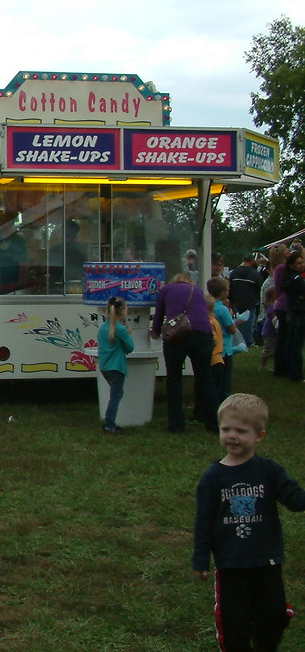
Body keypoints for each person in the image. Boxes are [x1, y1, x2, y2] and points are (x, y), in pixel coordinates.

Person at [193, 393, 305, 651]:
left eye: (240, 431)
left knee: (274, 617)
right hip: (231, 562)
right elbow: (203, 521)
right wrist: (201, 558)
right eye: (226, 429)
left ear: (259, 436)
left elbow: (295, 500)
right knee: (234, 622)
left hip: (267, 559)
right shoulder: (213, 478)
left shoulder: (270, 471)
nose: (231, 435)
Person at [150, 274, 218, 434]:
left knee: (174, 379)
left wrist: (155, 332)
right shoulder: (198, 291)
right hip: (202, 334)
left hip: (177, 336)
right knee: (205, 378)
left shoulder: (166, 289)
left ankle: (176, 425)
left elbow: (159, 314)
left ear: (174, 281)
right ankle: (213, 423)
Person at [96, 296, 133, 435]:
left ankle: (109, 421)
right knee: (116, 396)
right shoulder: (121, 330)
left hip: (105, 366)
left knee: (116, 393)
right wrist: (129, 334)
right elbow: (130, 347)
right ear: (123, 312)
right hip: (117, 367)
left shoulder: (103, 328)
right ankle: (109, 423)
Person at [207, 277, 240, 401]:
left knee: (213, 377)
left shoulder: (209, 307)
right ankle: (223, 399)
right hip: (224, 348)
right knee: (225, 378)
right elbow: (231, 328)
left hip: (212, 347)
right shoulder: (222, 310)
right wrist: (238, 323)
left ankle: (212, 398)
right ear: (223, 293)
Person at [228, 255, 264, 348]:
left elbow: (230, 288)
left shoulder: (234, 273)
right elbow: (261, 287)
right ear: (252, 261)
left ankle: (237, 342)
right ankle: (246, 343)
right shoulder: (255, 274)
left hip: (237, 302)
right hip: (250, 302)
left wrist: (231, 301)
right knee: (248, 325)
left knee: (237, 324)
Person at [280, 251, 305, 383]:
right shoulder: (297, 279)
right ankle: (296, 374)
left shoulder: (289, 279)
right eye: (299, 263)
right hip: (298, 313)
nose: (302, 265)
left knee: (291, 344)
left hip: (291, 313)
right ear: (291, 265)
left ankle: (290, 371)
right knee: (296, 345)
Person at [269, 244, 292, 378]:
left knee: (282, 338)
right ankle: (282, 367)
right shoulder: (283, 268)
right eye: (287, 250)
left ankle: (280, 368)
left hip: (280, 304)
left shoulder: (278, 268)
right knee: (285, 338)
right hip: (285, 304)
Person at [260, 287, 277, 371]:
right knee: (268, 349)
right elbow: (274, 319)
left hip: (269, 331)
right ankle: (263, 365)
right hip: (270, 331)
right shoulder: (272, 307)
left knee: (272, 348)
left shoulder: (270, 305)